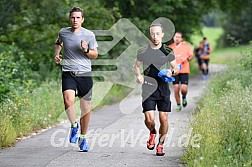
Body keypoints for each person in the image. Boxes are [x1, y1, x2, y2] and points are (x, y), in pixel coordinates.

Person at [54, 7, 98, 152]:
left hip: (84, 74)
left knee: (85, 109)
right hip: (68, 72)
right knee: (68, 100)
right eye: (73, 17)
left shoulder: (89, 35)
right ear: (69, 19)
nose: (75, 20)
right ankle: (74, 125)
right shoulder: (63, 32)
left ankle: (83, 137)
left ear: (82, 19)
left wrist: (86, 50)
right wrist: (57, 54)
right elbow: (58, 42)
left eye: (78, 18)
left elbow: (95, 55)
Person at [133, 23, 179, 156]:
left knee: (164, 118)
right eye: (152, 34)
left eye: (158, 34)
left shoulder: (167, 51)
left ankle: (161, 144)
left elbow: (176, 68)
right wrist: (139, 76)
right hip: (148, 87)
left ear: (162, 35)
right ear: (149, 35)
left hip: (163, 88)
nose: (155, 36)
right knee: (149, 119)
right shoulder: (143, 51)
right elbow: (135, 67)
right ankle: (152, 132)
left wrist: (172, 72)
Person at [169, 32, 194, 111]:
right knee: (176, 88)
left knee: (183, 89)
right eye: (176, 37)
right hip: (174, 71)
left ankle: (184, 97)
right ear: (173, 37)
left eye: (179, 37)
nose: (177, 38)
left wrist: (187, 59)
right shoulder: (170, 47)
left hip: (184, 70)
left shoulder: (186, 46)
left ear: (181, 39)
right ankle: (178, 104)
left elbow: (191, 55)